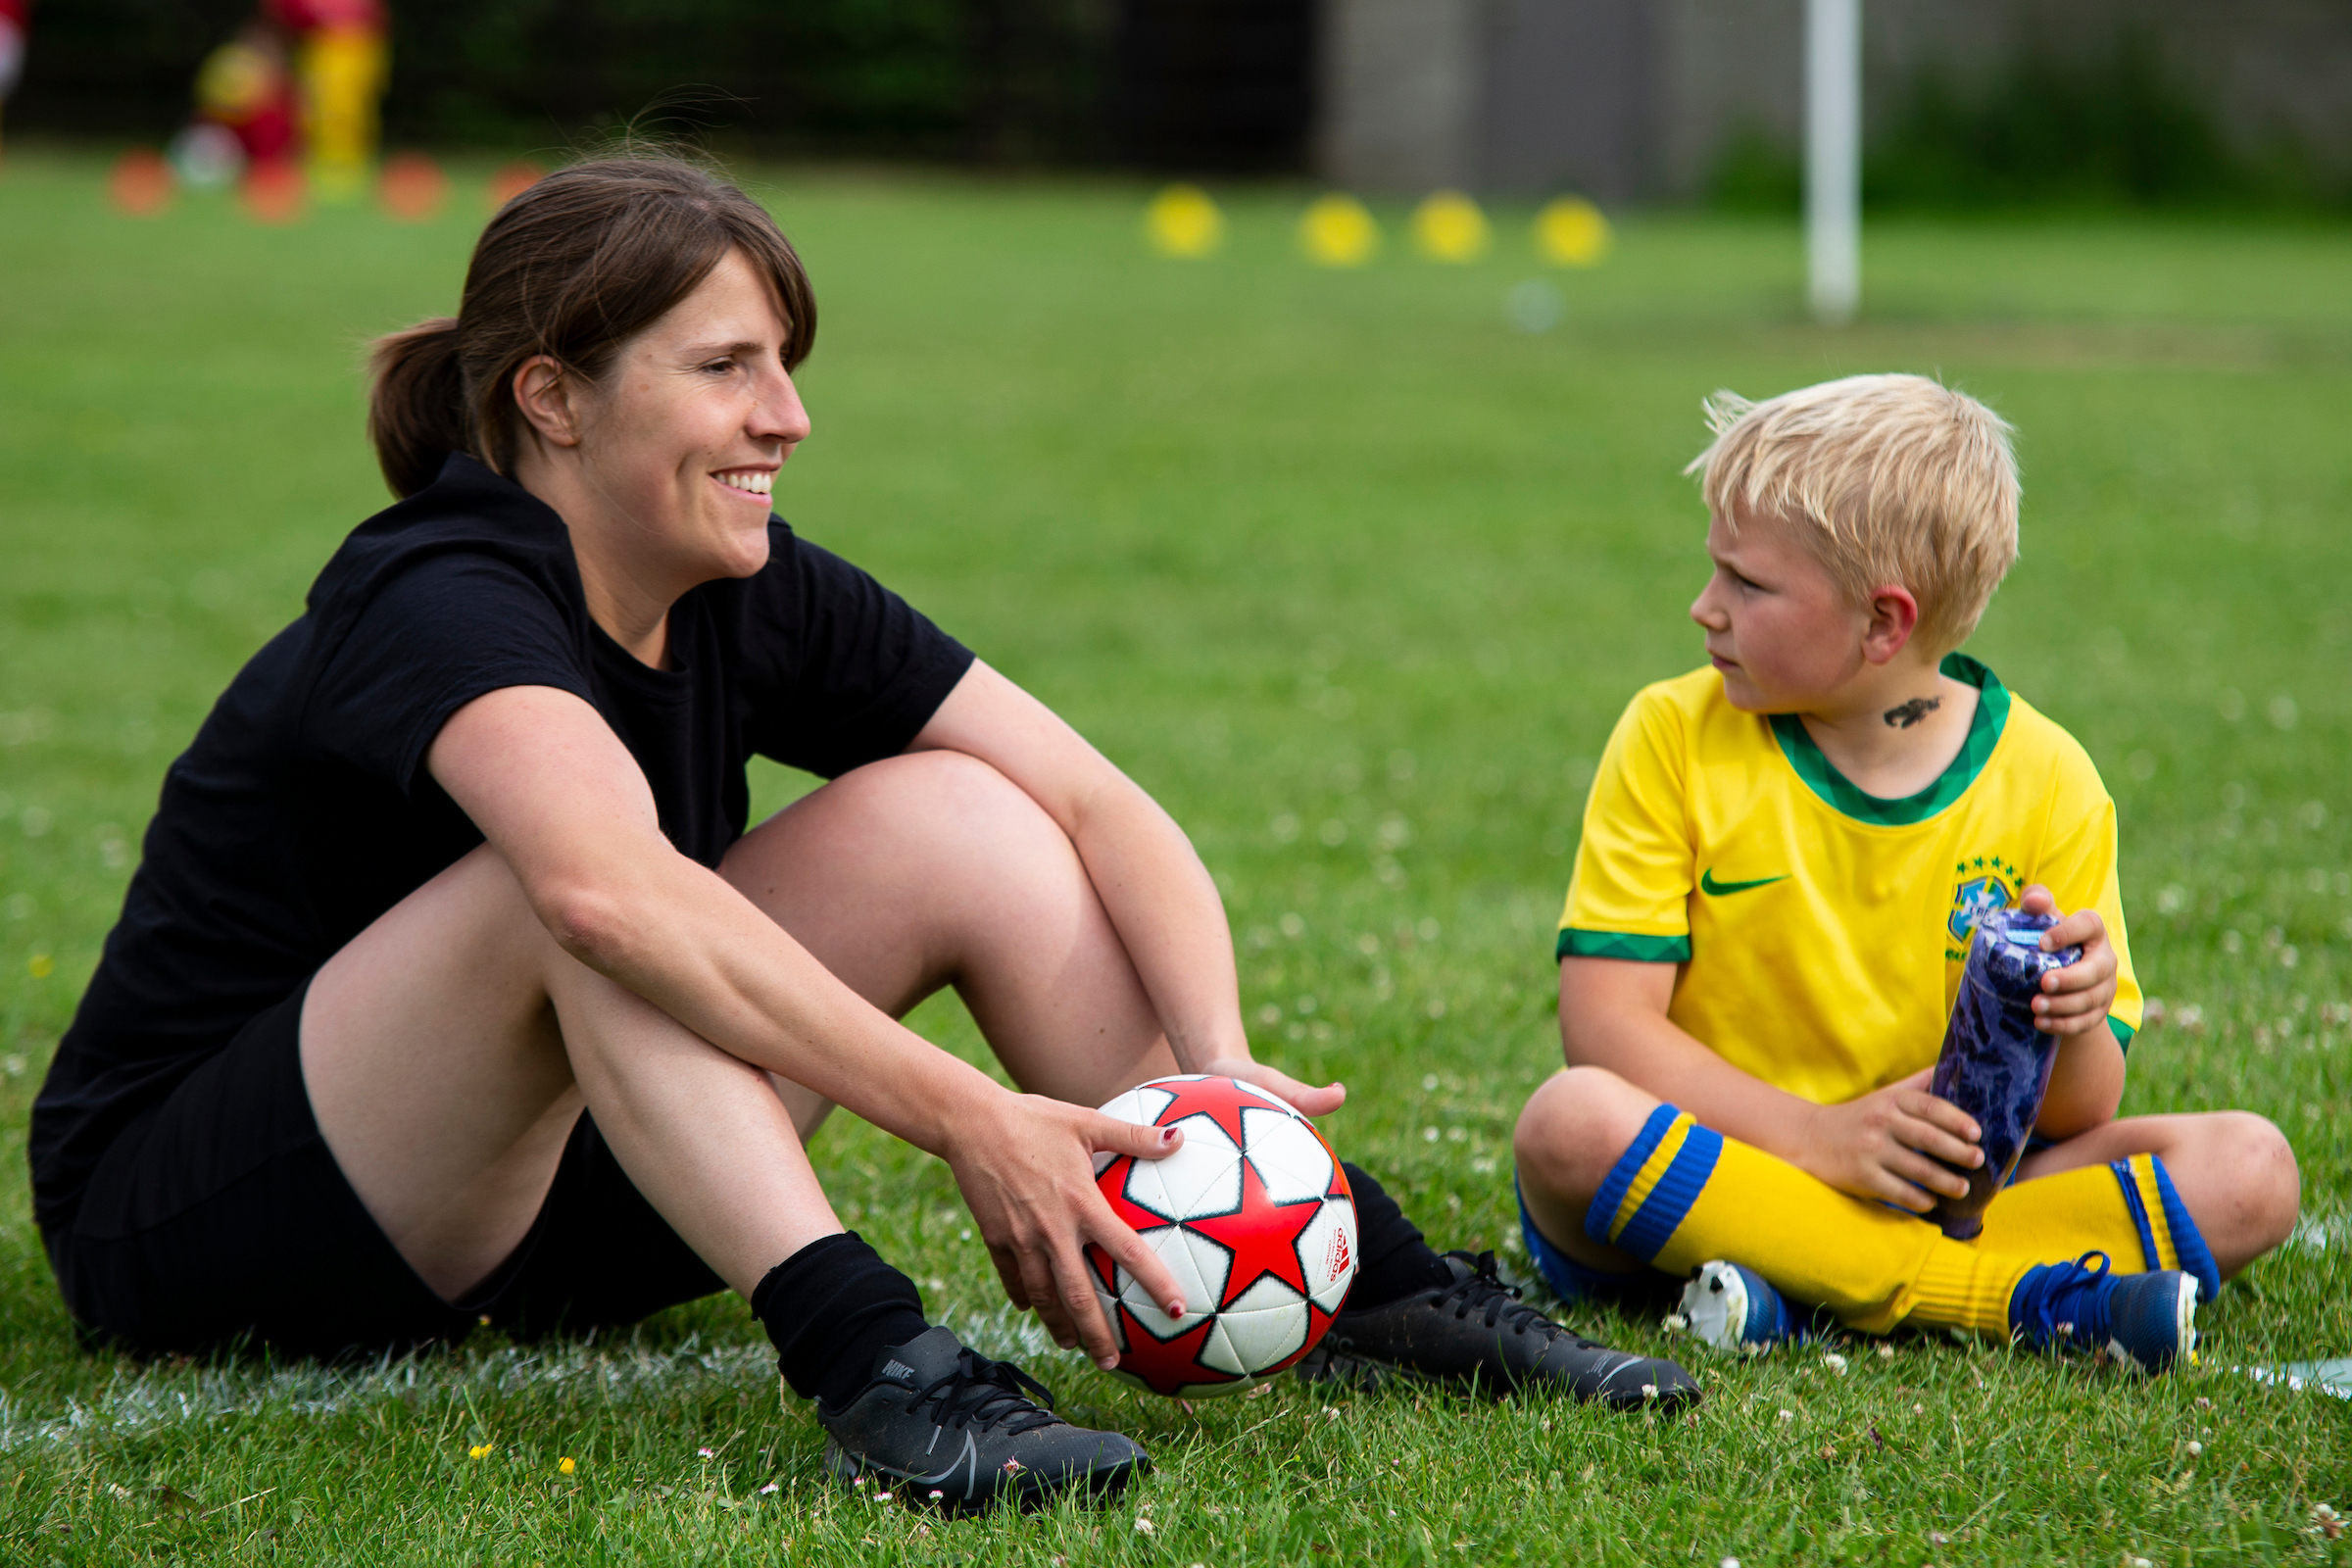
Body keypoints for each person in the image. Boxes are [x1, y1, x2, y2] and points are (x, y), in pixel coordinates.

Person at [29, 153, 1686, 1520]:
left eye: (787, 367)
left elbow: (1098, 801)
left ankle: (1364, 1279)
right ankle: (876, 1364)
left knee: (964, 814)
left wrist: (1218, 1068)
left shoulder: (750, 583)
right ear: (554, 401)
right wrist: (975, 1118)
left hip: (561, 1202)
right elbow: (604, 900)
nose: (788, 418)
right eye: (727, 368)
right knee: (577, 889)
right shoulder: (438, 590)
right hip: (208, 1217)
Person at [1510, 374, 2300, 1373]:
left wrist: (2078, 1014)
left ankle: (1794, 1294)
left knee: (2252, 1168)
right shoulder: (1672, 734)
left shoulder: (2048, 779)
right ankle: (1984, 1298)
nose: (1705, 607)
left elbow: (2074, 1114)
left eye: (1747, 585)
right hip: (1725, 1162)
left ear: (1886, 623)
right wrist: (1820, 1139)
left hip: (1947, 1189)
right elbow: (1606, 1030)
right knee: (1567, 1123)